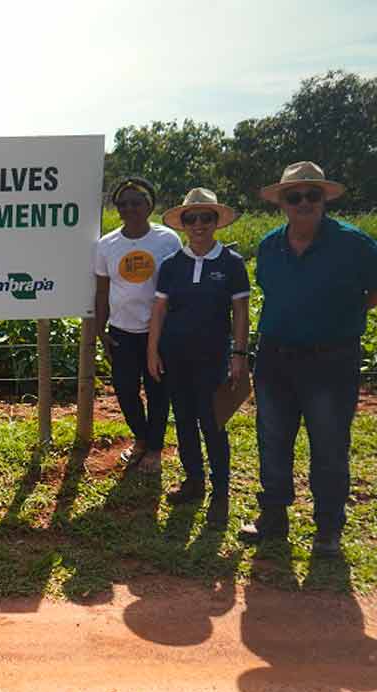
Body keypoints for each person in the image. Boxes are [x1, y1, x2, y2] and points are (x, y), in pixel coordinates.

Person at [240, 162, 377, 557]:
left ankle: (328, 529)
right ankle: (275, 516)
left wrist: (343, 318)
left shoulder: (355, 244)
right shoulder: (269, 245)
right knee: (272, 440)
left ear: (324, 199)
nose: (304, 202)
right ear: (282, 202)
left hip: (331, 361)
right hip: (274, 358)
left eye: (312, 195)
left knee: (330, 444)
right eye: (294, 196)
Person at [146, 188, 250, 529]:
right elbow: (159, 310)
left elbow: (240, 312)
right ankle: (194, 482)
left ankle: (221, 492)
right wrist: (153, 349)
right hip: (176, 356)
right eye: (192, 218)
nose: (199, 224)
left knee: (213, 422)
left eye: (207, 217)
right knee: (185, 421)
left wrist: (239, 354)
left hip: (214, 358)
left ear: (216, 221)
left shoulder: (231, 264)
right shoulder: (172, 265)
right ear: (184, 224)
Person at [94, 177, 182, 472]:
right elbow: (103, 291)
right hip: (122, 332)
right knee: (124, 389)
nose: (129, 208)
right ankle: (142, 439)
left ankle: (154, 449)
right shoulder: (107, 245)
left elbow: (177, 289)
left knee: (158, 391)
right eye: (123, 204)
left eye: (136, 202)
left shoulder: (168, 240)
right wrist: (100, 330)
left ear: (149, 205)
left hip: (158, 332)